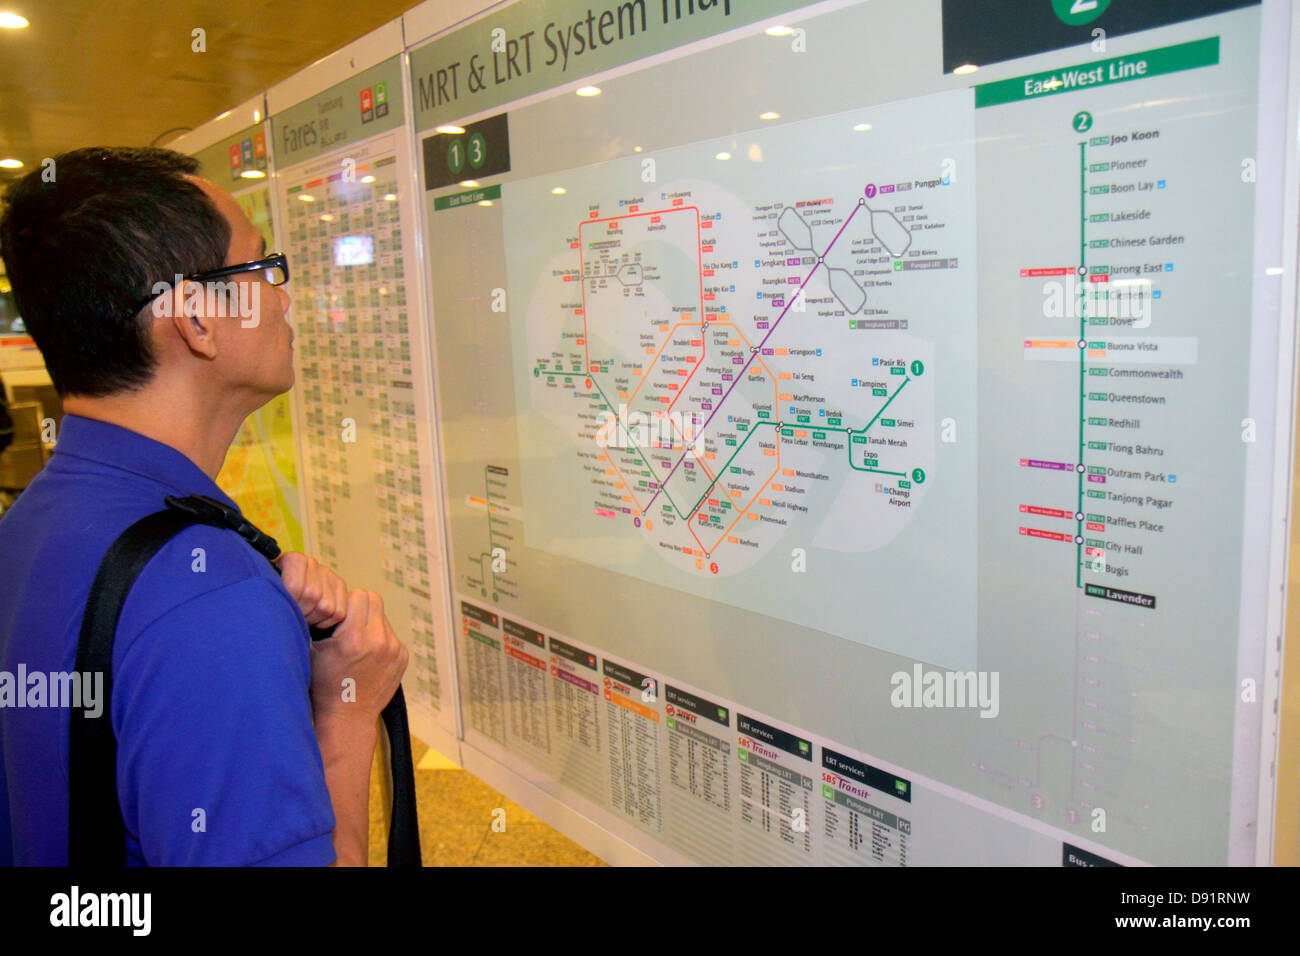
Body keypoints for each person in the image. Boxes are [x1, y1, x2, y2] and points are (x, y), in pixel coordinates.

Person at [0, 147, 408, 865]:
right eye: (259, 268)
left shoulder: (32, 522)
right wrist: (345, 717)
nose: (283, 296)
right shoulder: (212, 598)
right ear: (194, 319)